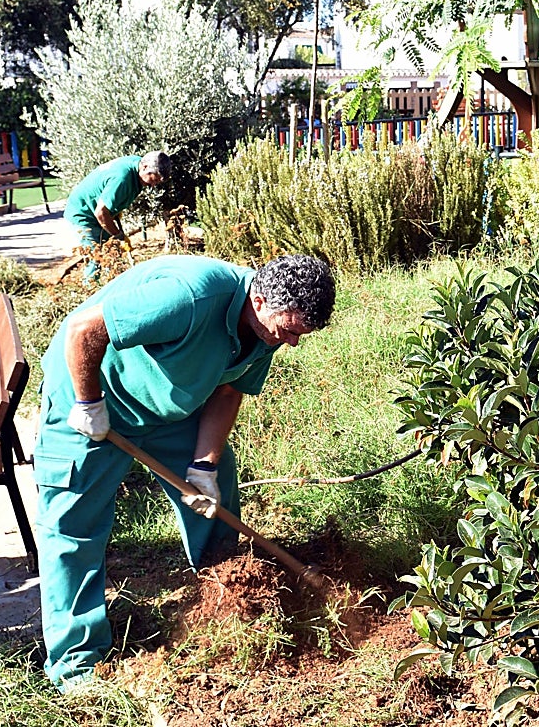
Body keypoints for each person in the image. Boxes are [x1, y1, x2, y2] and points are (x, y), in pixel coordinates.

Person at [32, 253, 336, 692]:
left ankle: (229, 601)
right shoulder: (191, 296)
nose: (291, 343)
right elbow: (84, 330)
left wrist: (204, 465)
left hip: (165, 411)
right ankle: (76, 663)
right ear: (261, 296)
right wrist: (87, 403)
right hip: (91, 395)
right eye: (289, 330)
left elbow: (229, 390)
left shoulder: (264, 331)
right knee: (72, 528)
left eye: (300, 335)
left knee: (216, 499)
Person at [64, 151, 168, 262]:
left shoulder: (138, 166)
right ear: (145, 167)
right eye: (154, 179)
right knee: (97, 261)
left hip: (99, 213)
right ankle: (92, 279)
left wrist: (116, 210)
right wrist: (118, 235)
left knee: (114, 257)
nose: (153, 185)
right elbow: (101, 213)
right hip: (83, 215)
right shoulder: (122, 179)